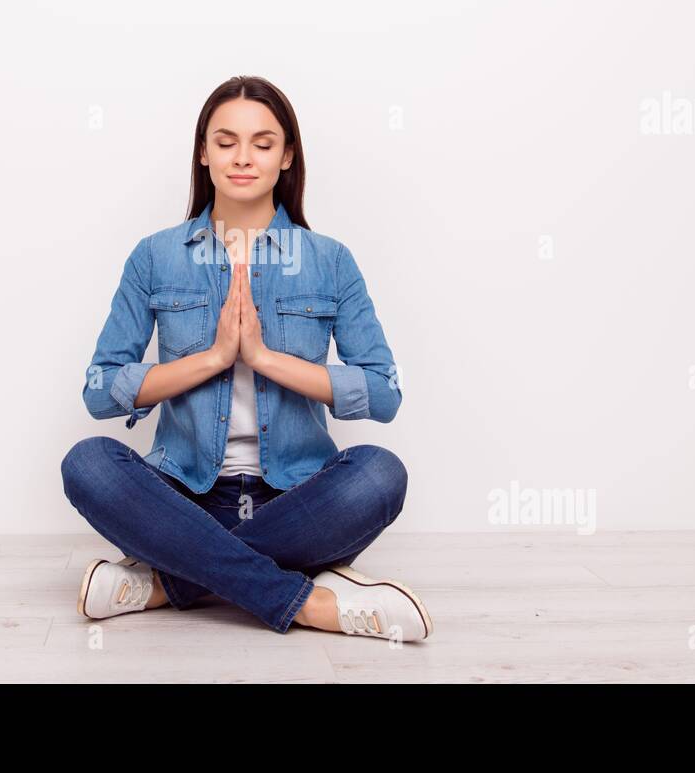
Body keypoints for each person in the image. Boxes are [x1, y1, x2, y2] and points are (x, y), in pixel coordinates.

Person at [61, 75, 431, 641]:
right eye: (226, 141)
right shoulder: (156, 257)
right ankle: (303, 601)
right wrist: (213, 358)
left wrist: (263, 358)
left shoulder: (329, 261)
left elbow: (384, 394)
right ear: (203, 153)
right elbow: (98, 390)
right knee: (88, 463)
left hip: (296, 499)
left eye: (263, 143)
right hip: (183, 498)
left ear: (287, 157)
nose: (243, 157)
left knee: (381, 475)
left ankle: (171, 581)